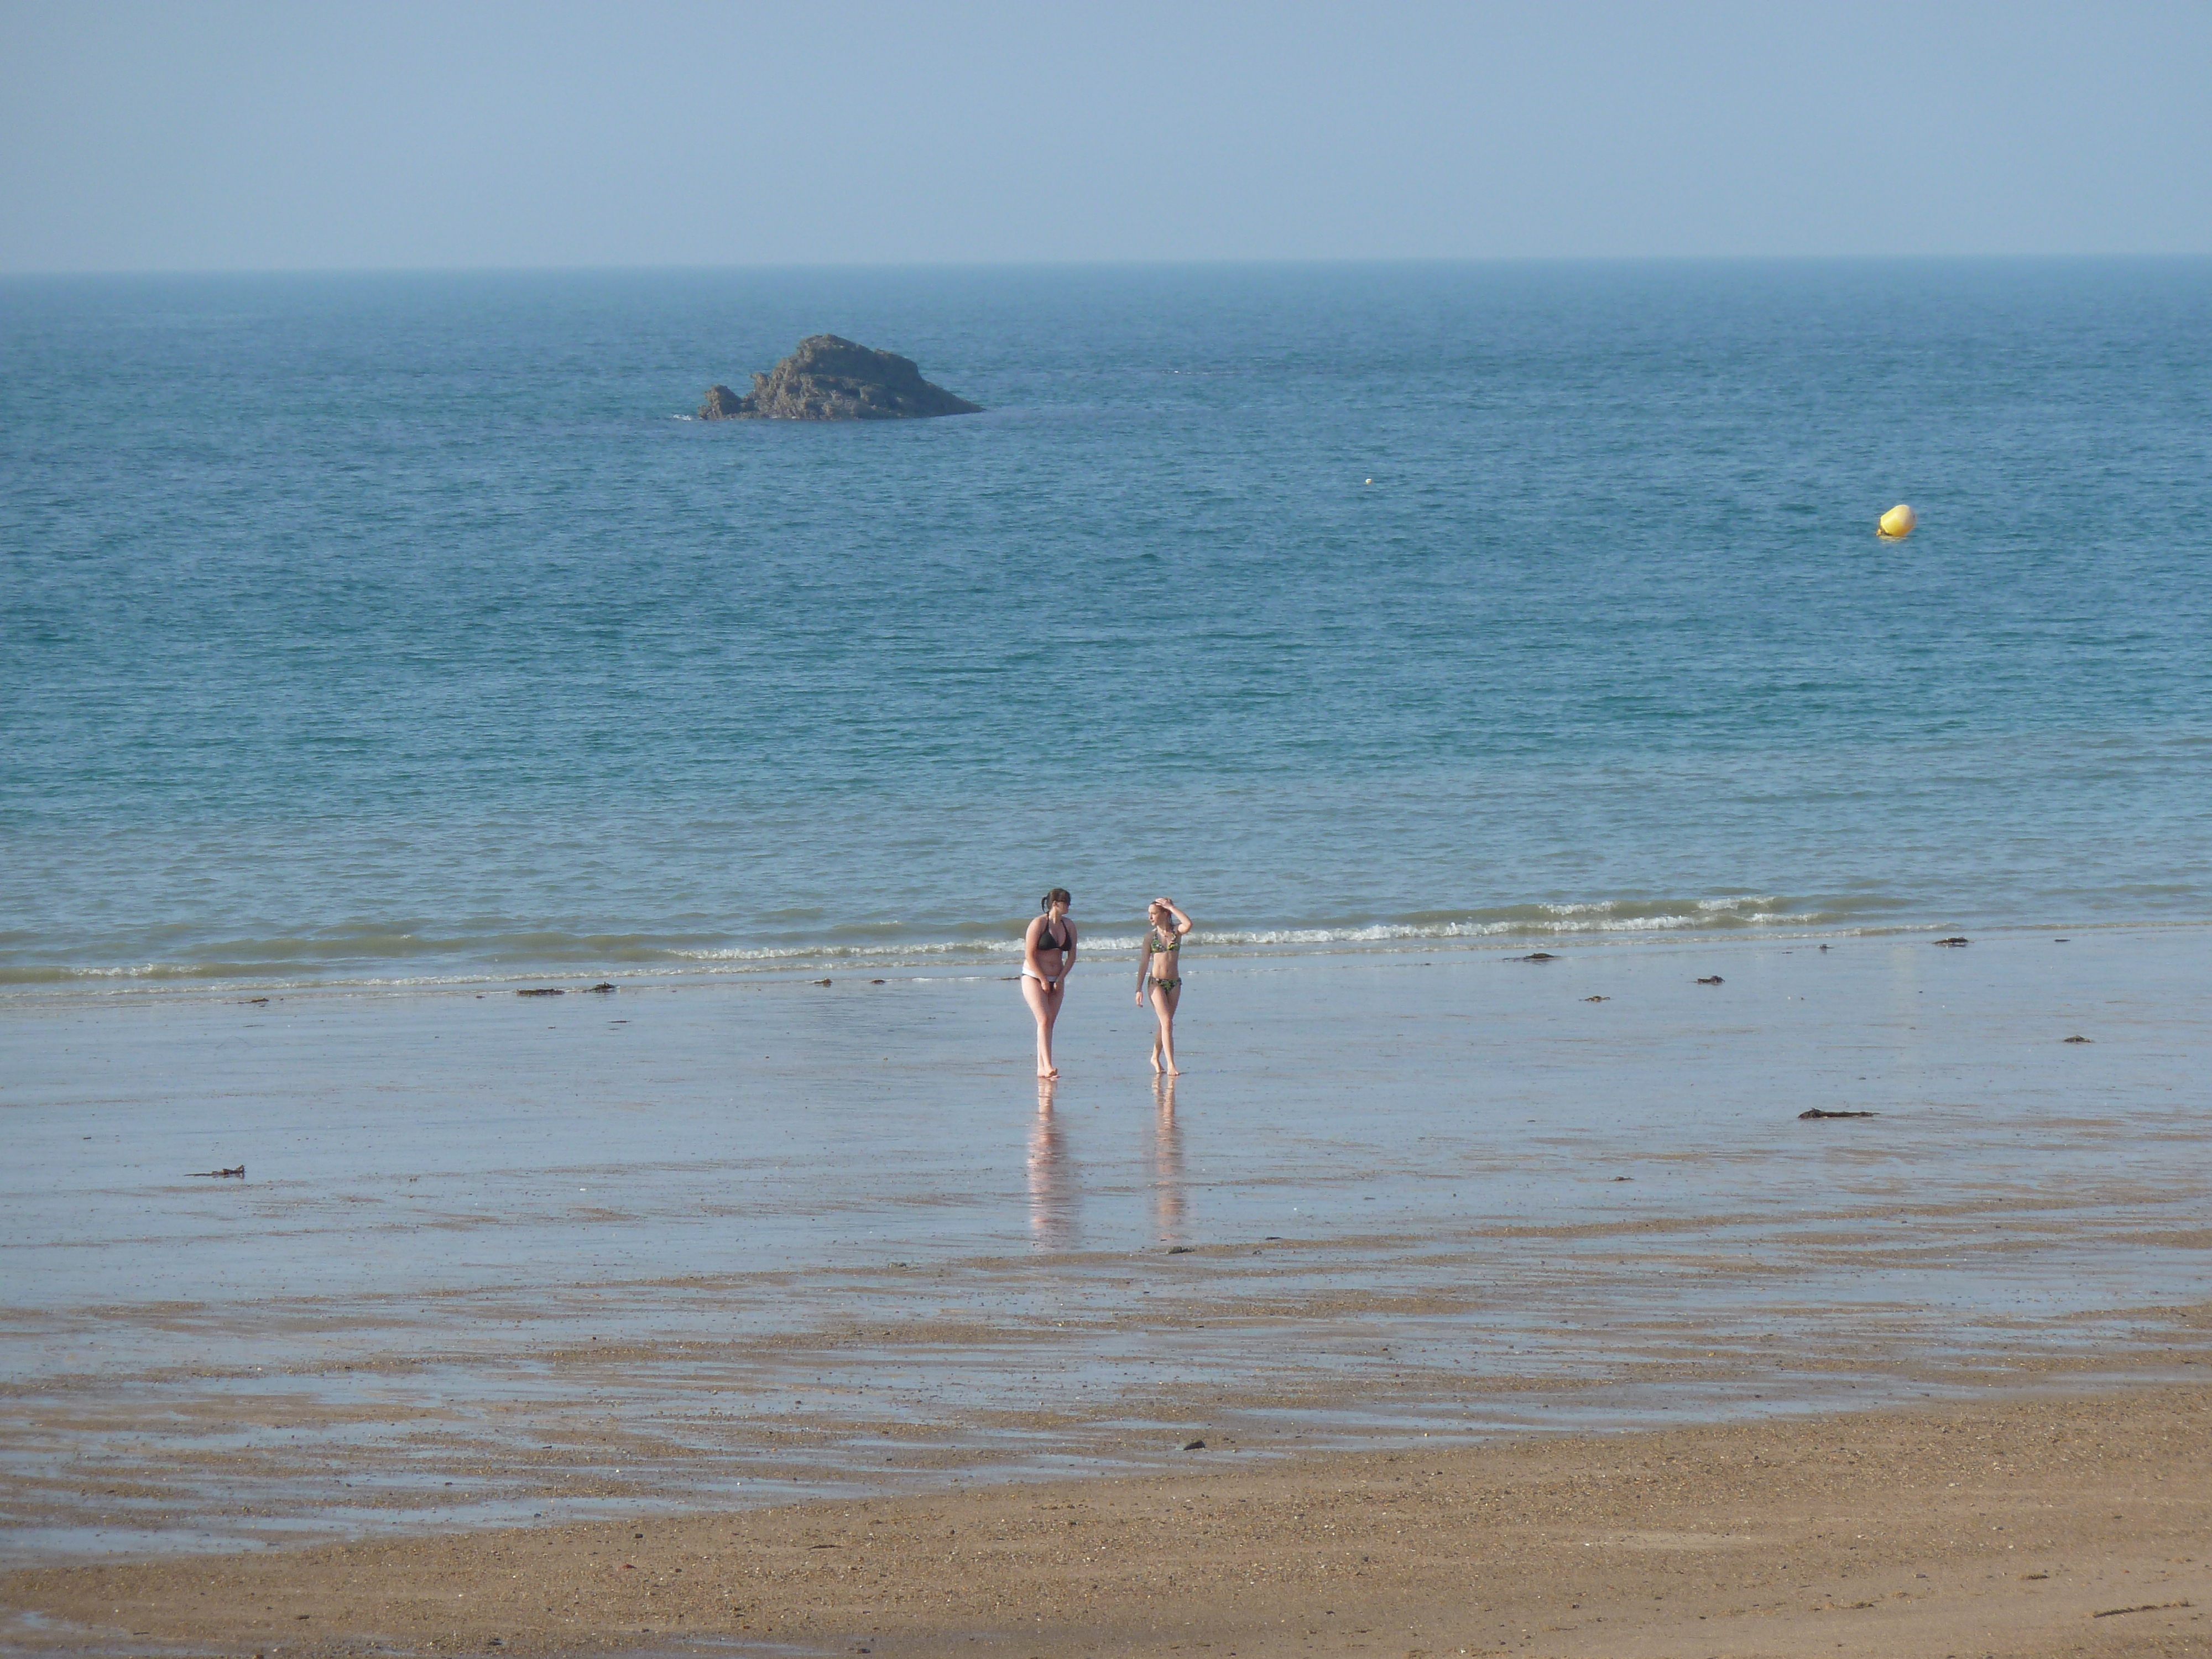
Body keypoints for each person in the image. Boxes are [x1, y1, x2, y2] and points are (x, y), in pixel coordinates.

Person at [1134, 895, 1193, 1074]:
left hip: (1174, 983)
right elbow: (1144, 963)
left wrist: (1171, 907)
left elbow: (1188, 924)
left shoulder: (1177, 933)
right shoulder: (1150, 937)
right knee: (1166, 1022)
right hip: (1156, 983)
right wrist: (1138, 989)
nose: (1150, 918)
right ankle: (1171, 1065)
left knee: (1165, 1024)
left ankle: (1154, 1057)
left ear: (1164, 914)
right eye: (1149, 914)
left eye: (1154, 914)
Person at [1022, 888, 1077, 1078]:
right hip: (1034, 976)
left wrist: (1061, 978)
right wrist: (1043, 979)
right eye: (1066, 902)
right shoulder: (1039, 924)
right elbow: (1029, 954)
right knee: (1044, 1019)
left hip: (1057, 978)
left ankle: (1042, 1067)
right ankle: (1048, 1066)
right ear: (1055, 904)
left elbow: (1072, 956)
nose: (1069, 906)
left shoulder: (1068, 925)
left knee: (1049, 1023)